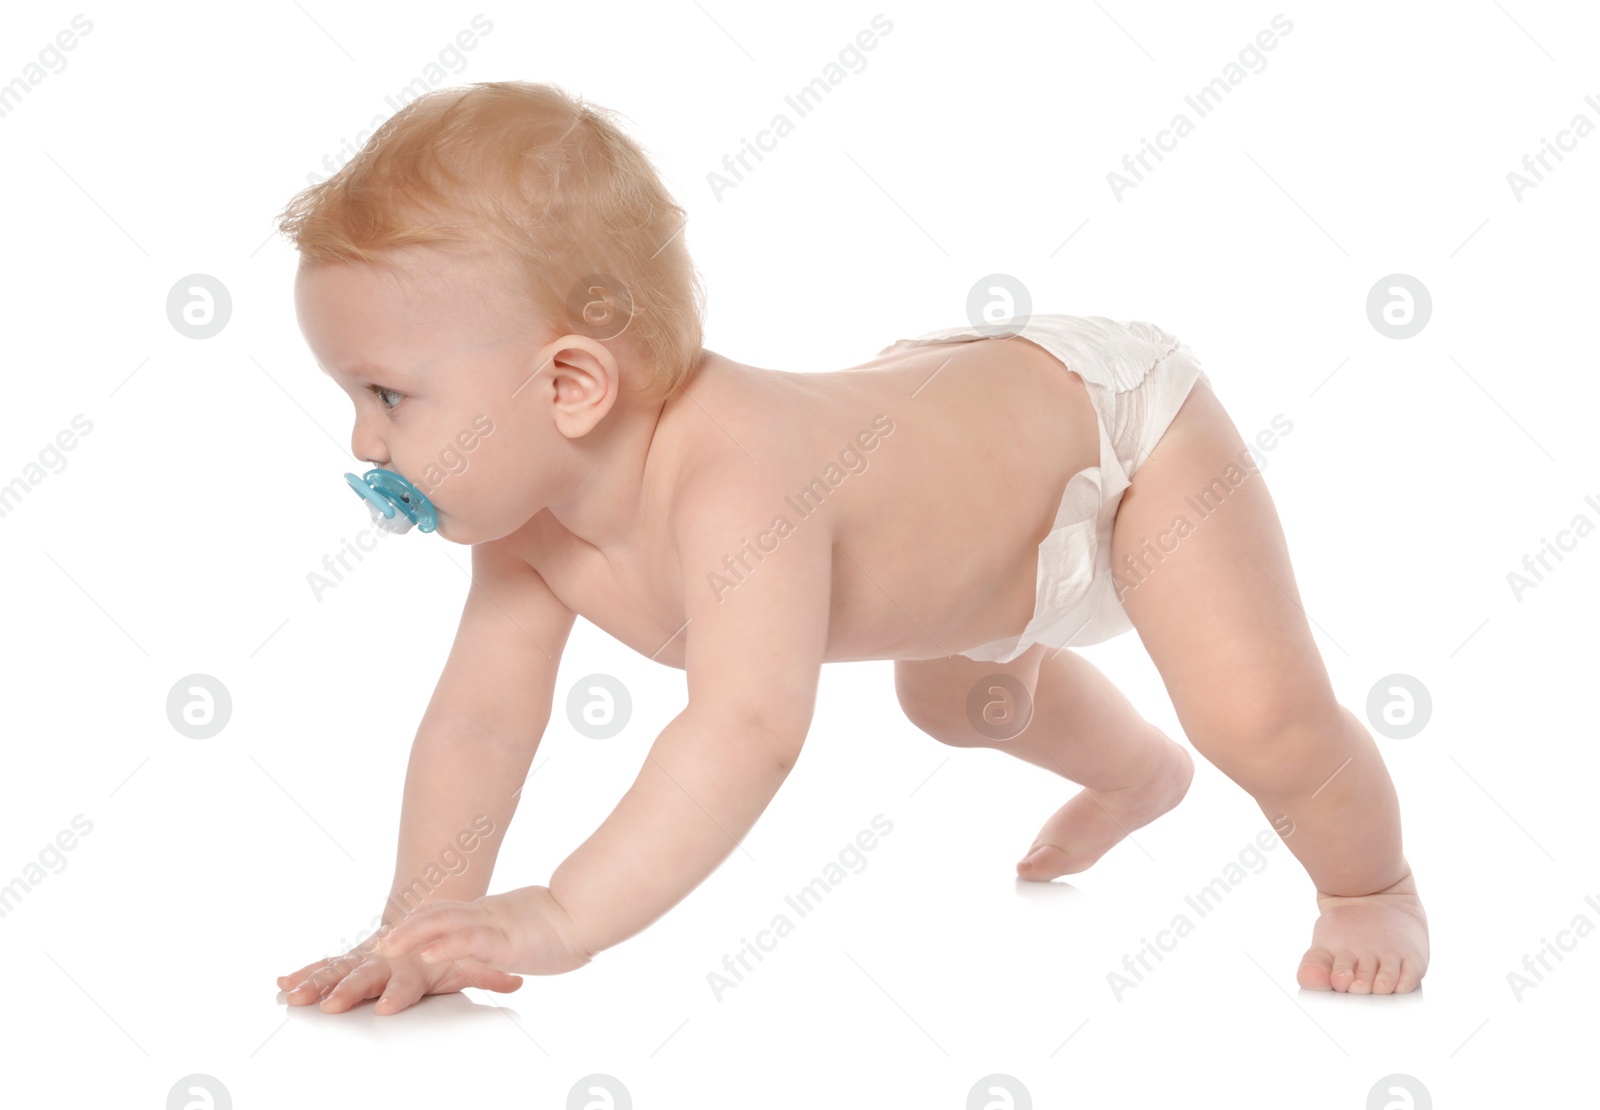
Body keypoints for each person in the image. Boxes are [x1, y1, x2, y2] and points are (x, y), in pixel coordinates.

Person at [275, 81, 1427, 1015]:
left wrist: (561, 917)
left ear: (571, 382)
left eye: (386, 395)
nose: (365, 441)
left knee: (1254, 718)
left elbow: (746, 729)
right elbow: (481, 721)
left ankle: (1370, 881)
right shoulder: (529, 532)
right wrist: (418, 927)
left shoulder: (739, 483)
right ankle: (1139, 776)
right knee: (958, 703)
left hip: (1112, 445)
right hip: (965, 530)